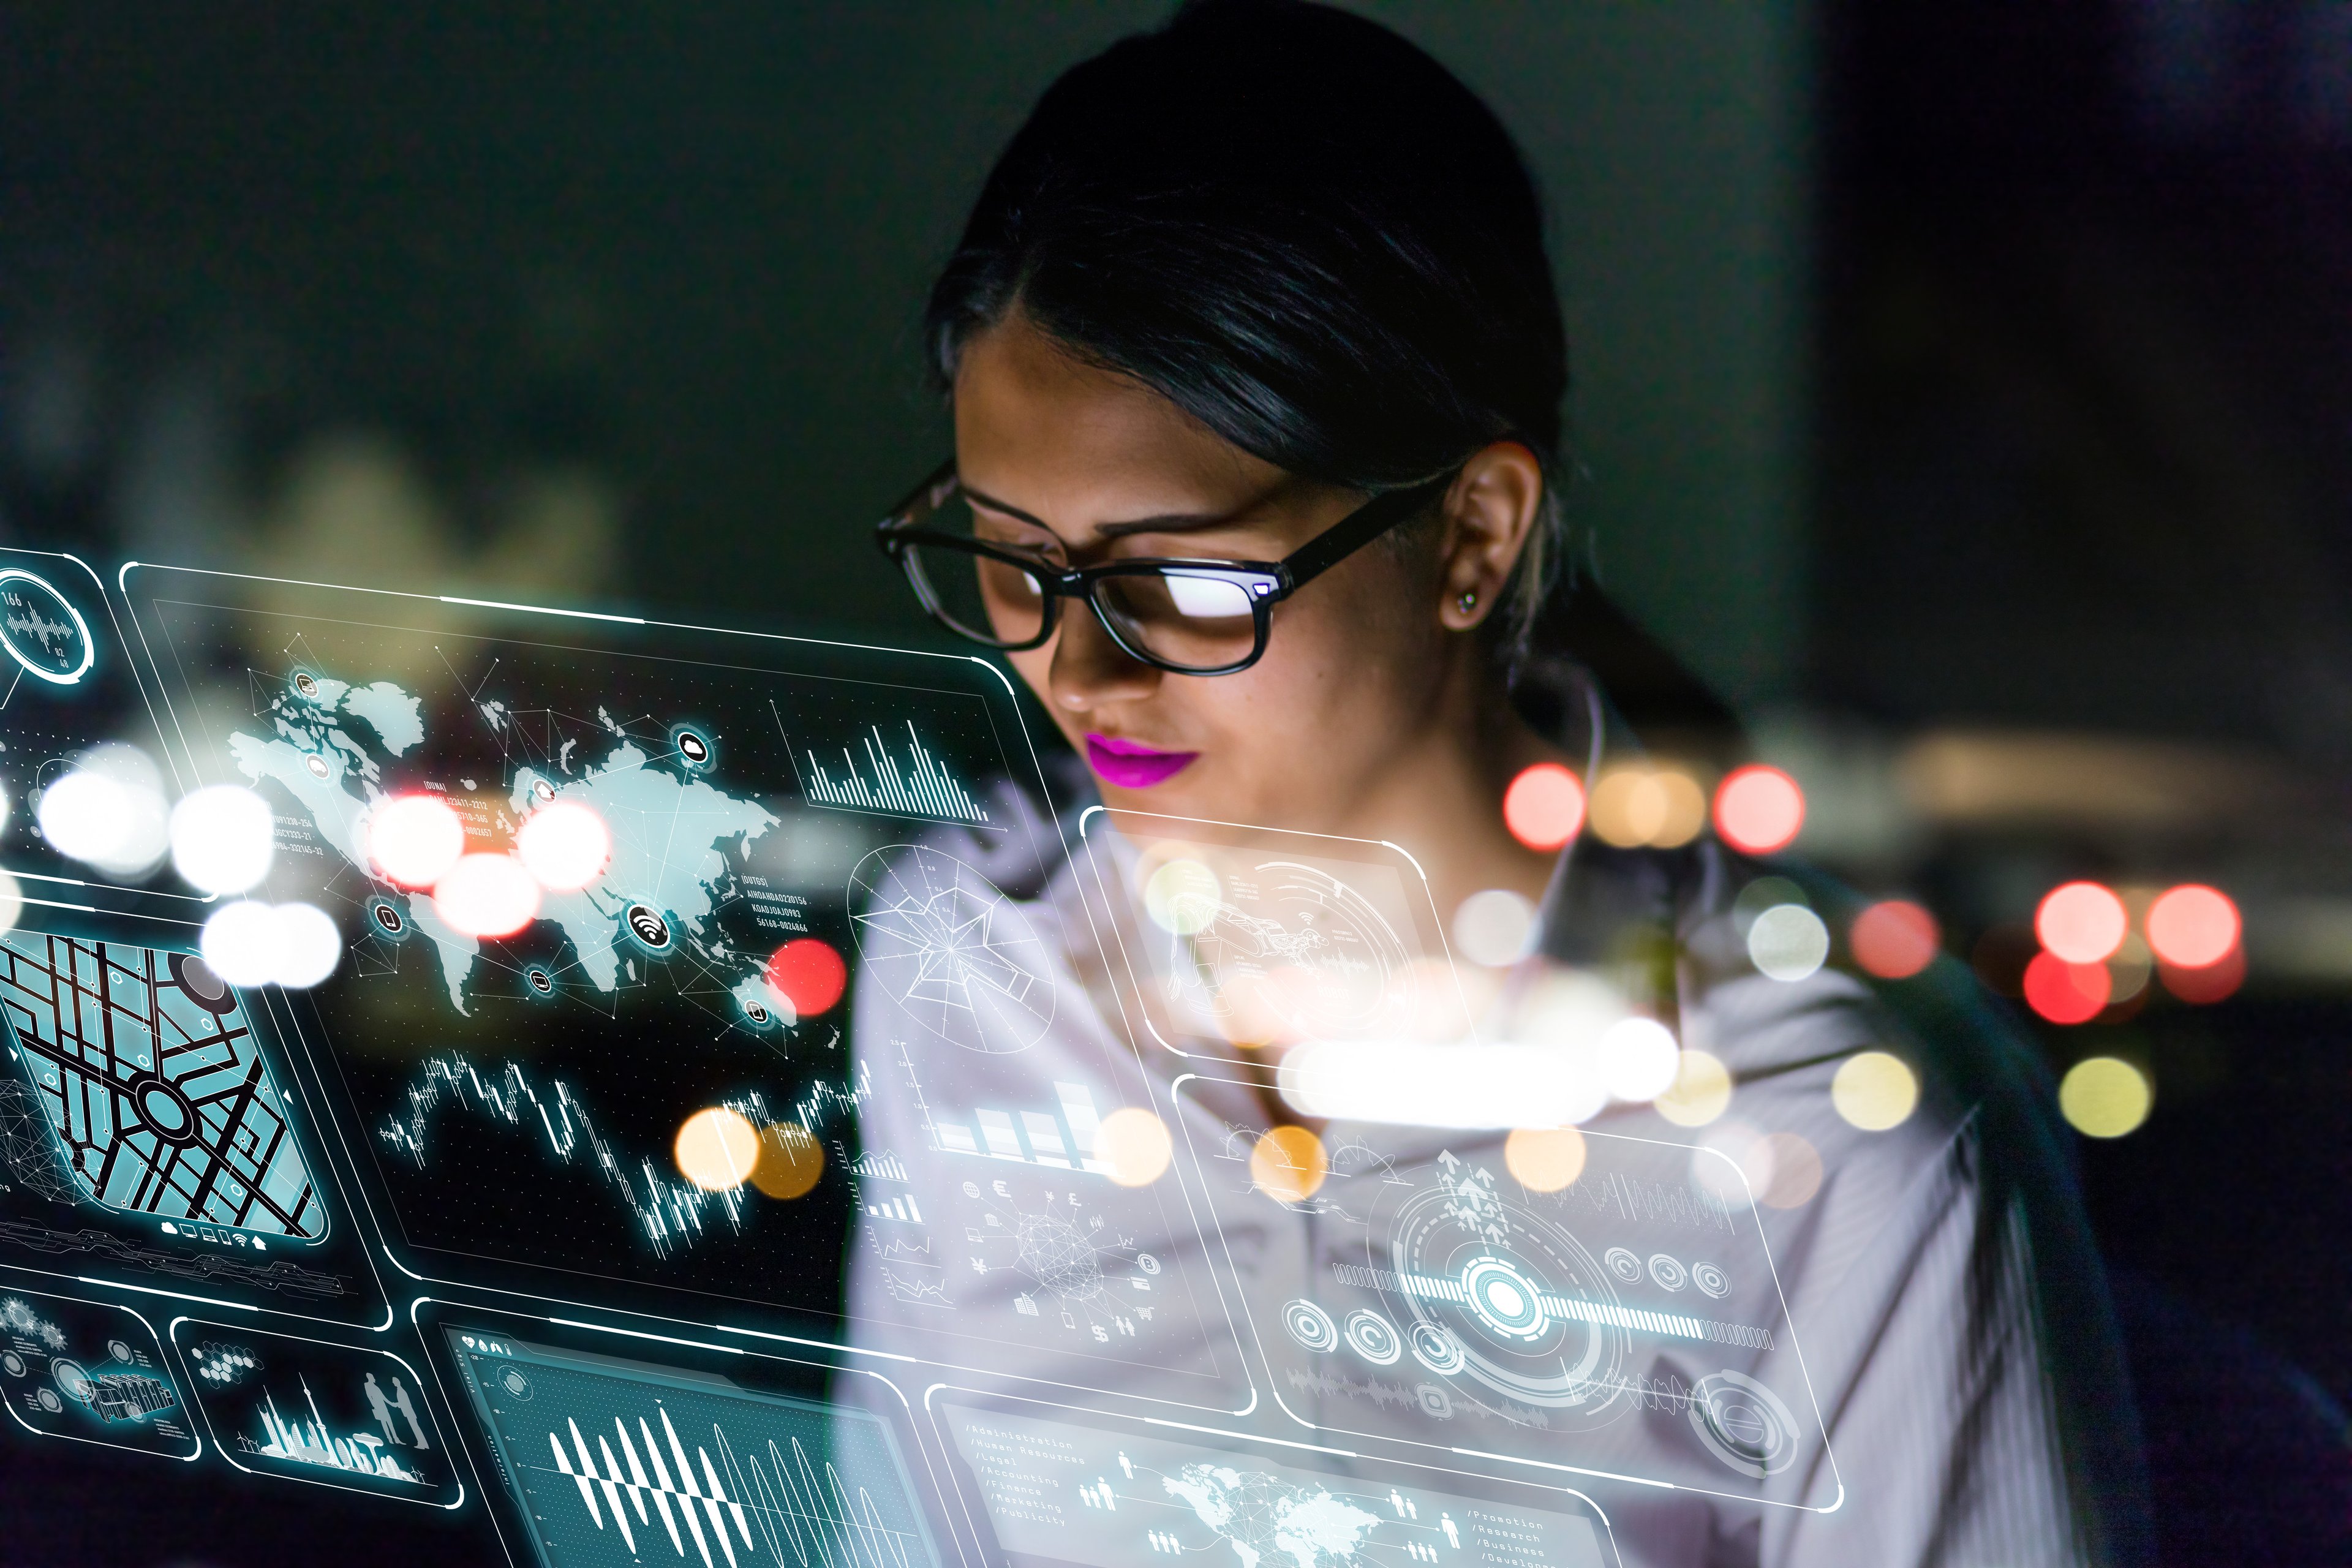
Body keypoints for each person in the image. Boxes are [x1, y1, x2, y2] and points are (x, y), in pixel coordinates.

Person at [850, 4, 2152, 1562]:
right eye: (1008, 558)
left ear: (1471, 532)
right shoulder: (970, 974)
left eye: (1182, 576)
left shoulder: (1827, 1125)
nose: (1080, 669)